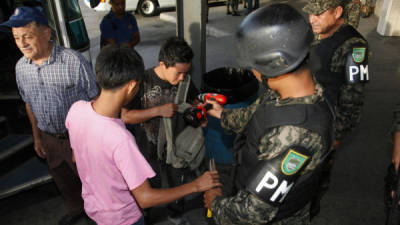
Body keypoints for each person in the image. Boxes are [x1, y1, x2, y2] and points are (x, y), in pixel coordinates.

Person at [203, 4, 334, 224]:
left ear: (272, 65)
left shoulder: (295, 134)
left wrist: (215, 203)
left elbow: (252, 212)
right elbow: (258, 115)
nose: (252, 71)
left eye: (253, 65)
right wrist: (221, 114)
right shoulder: (294, 91)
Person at [65, 44, 221, 225]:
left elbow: (76, 158)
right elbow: (145, 198)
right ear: (132, 86)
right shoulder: (120, 139)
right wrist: (197, 185)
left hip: (95, 209)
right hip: (124, 219)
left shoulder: (76, 110)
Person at [2, 6, 99, 225]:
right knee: (63, 179)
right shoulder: (21, 68)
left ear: (46, 33)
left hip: (78, 138)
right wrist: (37, 137)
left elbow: (95, 102)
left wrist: (83, 141)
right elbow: (29, 104)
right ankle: (76, 211)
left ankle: (98, 215)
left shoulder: (72, 61)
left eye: (27, 36)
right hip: (48, 138)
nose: (22, 43)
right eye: (17, 38)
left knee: (92, 181)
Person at [121, 36, 201, 224]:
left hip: (176, 146)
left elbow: (196, 102)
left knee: (177, 182)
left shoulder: (185, 81)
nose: (182, 78)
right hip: (147, 146)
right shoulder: (142, 82)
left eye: (186, 73)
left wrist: (201, 114)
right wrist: (157, 111)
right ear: (163, 64)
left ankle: (175, 214)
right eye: (179, 73)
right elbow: (125, 116)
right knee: (151, 185)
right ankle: (145, 215)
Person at [303, 0, 369, 217]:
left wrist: (337, 136)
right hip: (304, 116)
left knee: (316, 177)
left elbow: (353, 99)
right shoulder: (317, 32)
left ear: (338, 12)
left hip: (326, 126)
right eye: (311, 14)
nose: (312, 19)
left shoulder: (355, 47)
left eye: (319, 14)